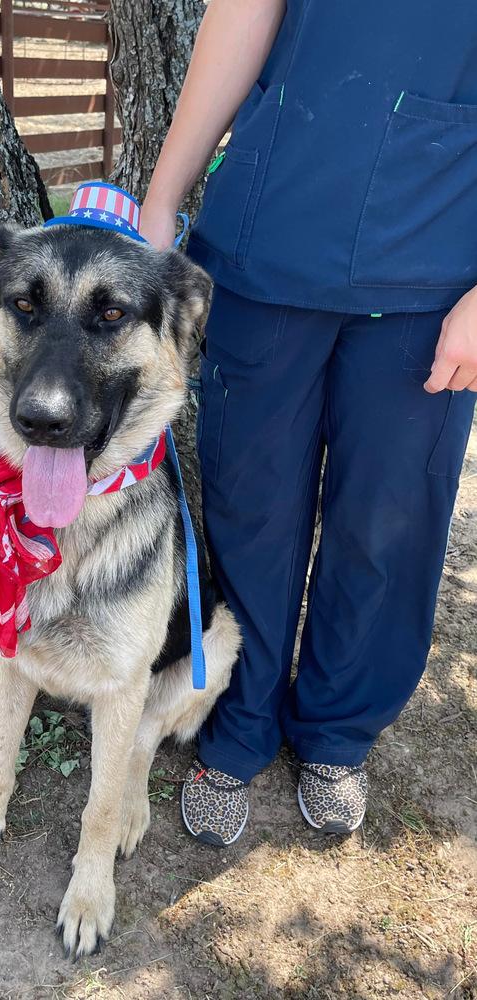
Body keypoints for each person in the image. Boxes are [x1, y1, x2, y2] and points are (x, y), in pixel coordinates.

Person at [139, 0, 477, 843]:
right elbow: (243, 14)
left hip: (437, 265)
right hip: (272, 234)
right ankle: (236, 720)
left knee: (388, 521)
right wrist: (163, 194)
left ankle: (337, 729)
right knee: (250, 507)